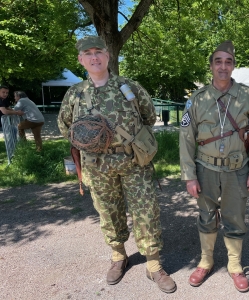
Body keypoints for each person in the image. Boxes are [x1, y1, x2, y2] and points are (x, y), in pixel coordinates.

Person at [57, 36, 176, 293]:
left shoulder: (128, 86)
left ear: (108, 55)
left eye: (98, 51)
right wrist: (89, 141)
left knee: (146, 210)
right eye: (87, 53)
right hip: (97, 164)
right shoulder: (75, 94)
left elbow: (149, 115)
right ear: (81, 60)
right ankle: (118, 256)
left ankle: (153, 265)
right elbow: (64, 125)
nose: (94, 57)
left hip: (133, 160)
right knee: (108, 211)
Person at [179, 40, 249, 292]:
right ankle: (205, 261)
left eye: (228, 62)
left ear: (233, 66)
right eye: (218, 61)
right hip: (205, 168)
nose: (223, 66)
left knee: (234, 217)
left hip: (237, 169)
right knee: (206, 215)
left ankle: (235, 266)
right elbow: (185, 138)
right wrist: (189, 175)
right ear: (211, 66)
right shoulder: (197, 99)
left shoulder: (248, 97)